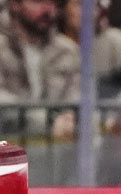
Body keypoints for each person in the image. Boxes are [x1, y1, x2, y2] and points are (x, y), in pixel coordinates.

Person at [0, 0, 80, 140]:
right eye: (38, 1)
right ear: (15, 4)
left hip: (58, 145)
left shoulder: (68, 50)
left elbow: (77, 97)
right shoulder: (2, 46)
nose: (48, 10)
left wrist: (73, 118)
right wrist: (47, 120)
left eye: (53, 3)